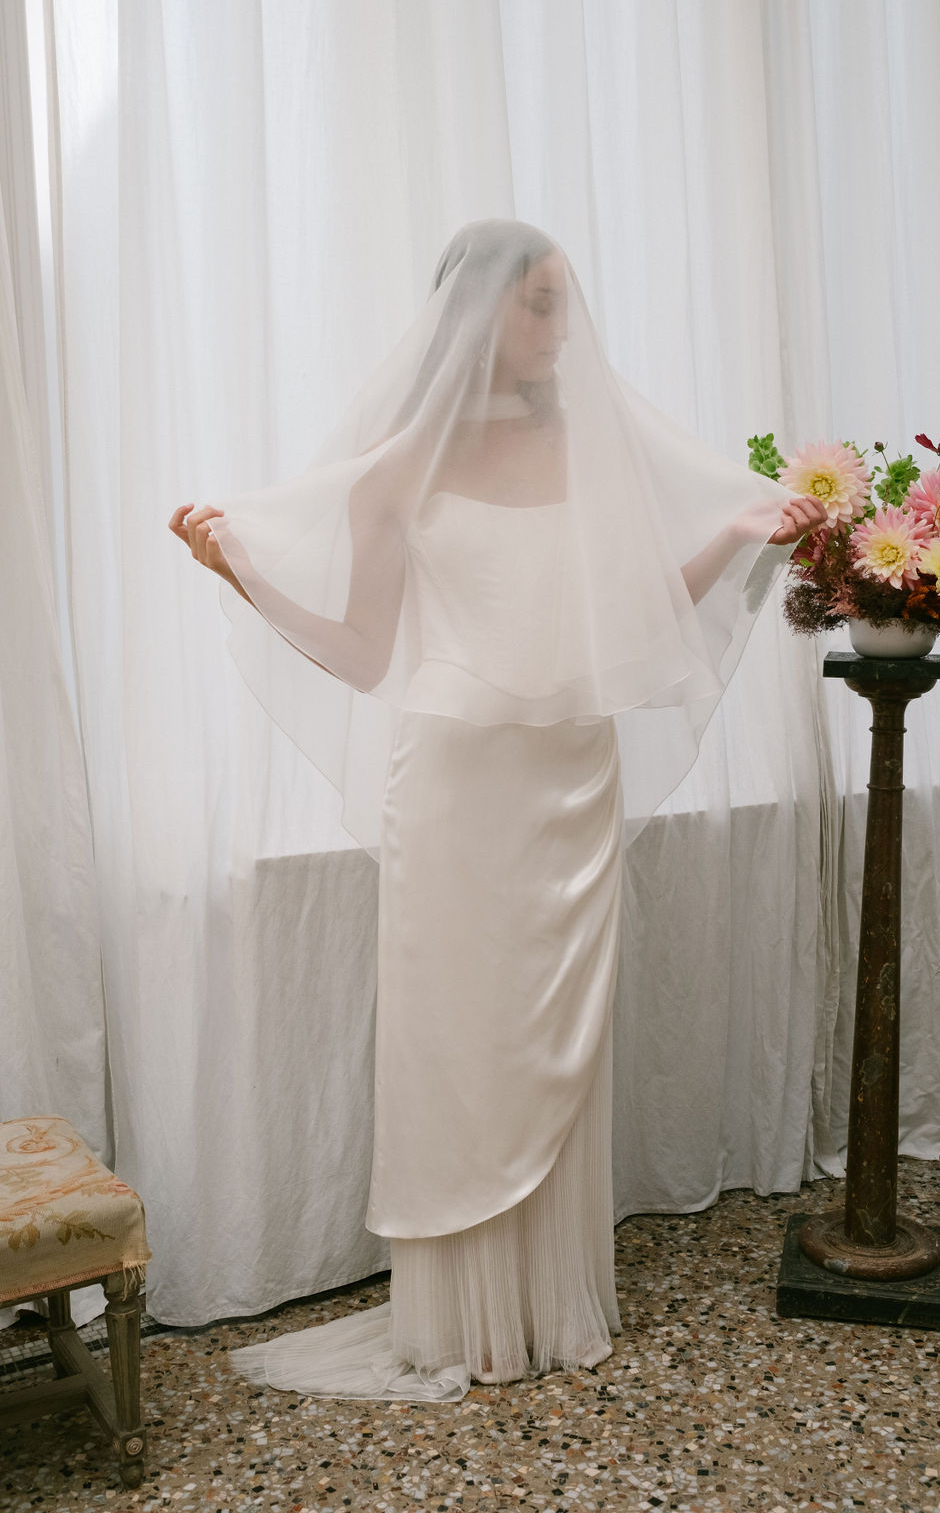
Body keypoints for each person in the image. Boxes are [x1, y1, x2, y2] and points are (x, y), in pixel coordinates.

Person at [169, 219, 825, 1400]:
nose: (562, 326)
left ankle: (549, 1308)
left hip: (570, 778)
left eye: (562, 300)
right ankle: (464, 1321)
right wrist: (247, 577)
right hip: (455, 789)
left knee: (558, 1039)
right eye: (540, 302)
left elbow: (627, 613)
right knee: (457, 1046)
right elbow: (366, 651)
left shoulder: (584, 445)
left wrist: (732, 536)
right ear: (477, 312)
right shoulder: (395, 467)